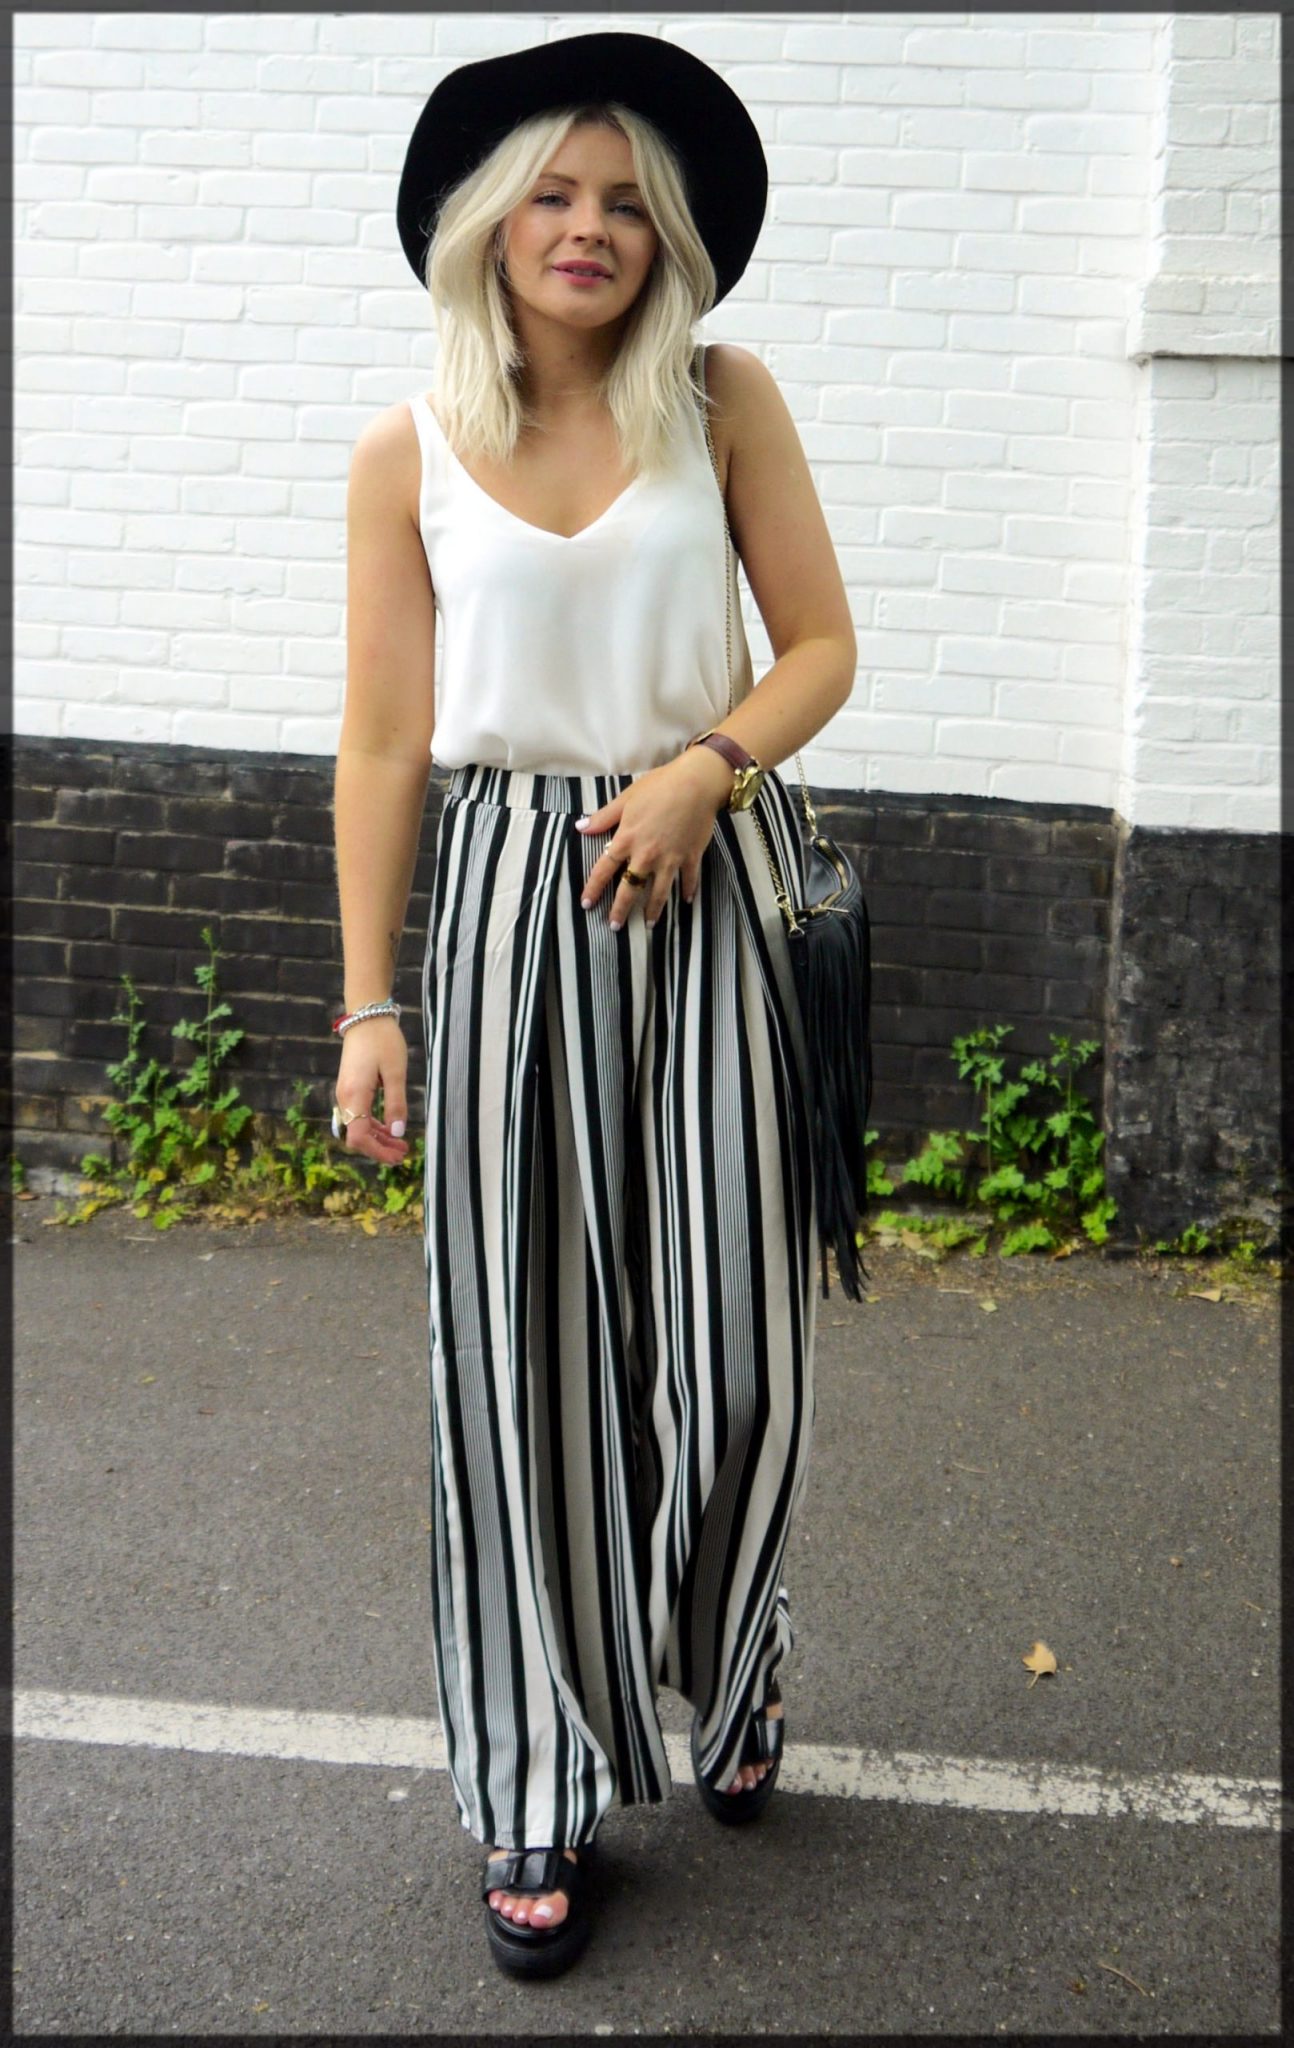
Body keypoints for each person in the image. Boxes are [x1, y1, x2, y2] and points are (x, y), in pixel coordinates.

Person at [331, 30, 856, 1979]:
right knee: (519, 1366)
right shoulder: (407, 442)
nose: (588, 228)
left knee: (731, 1358)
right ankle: (534, 1770)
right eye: (553, 192)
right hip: (494, 910)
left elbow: (819, 644)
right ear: (485, 220)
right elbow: (384, 736)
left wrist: (705, 764)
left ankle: (730, 1665)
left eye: (626, 200)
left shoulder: (719, 400)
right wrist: (369, 1003)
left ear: (671, 239)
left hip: (701, 880)